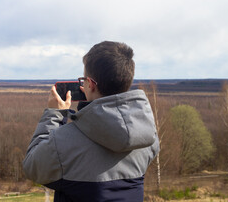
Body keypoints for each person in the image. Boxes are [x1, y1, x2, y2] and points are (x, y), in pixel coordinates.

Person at [23, 41, 159, 202]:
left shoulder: (63, 143)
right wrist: (90, 105)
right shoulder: (147, 136)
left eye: (84, 80)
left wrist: (55, 114)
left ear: (91, 84)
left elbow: (32, 166)